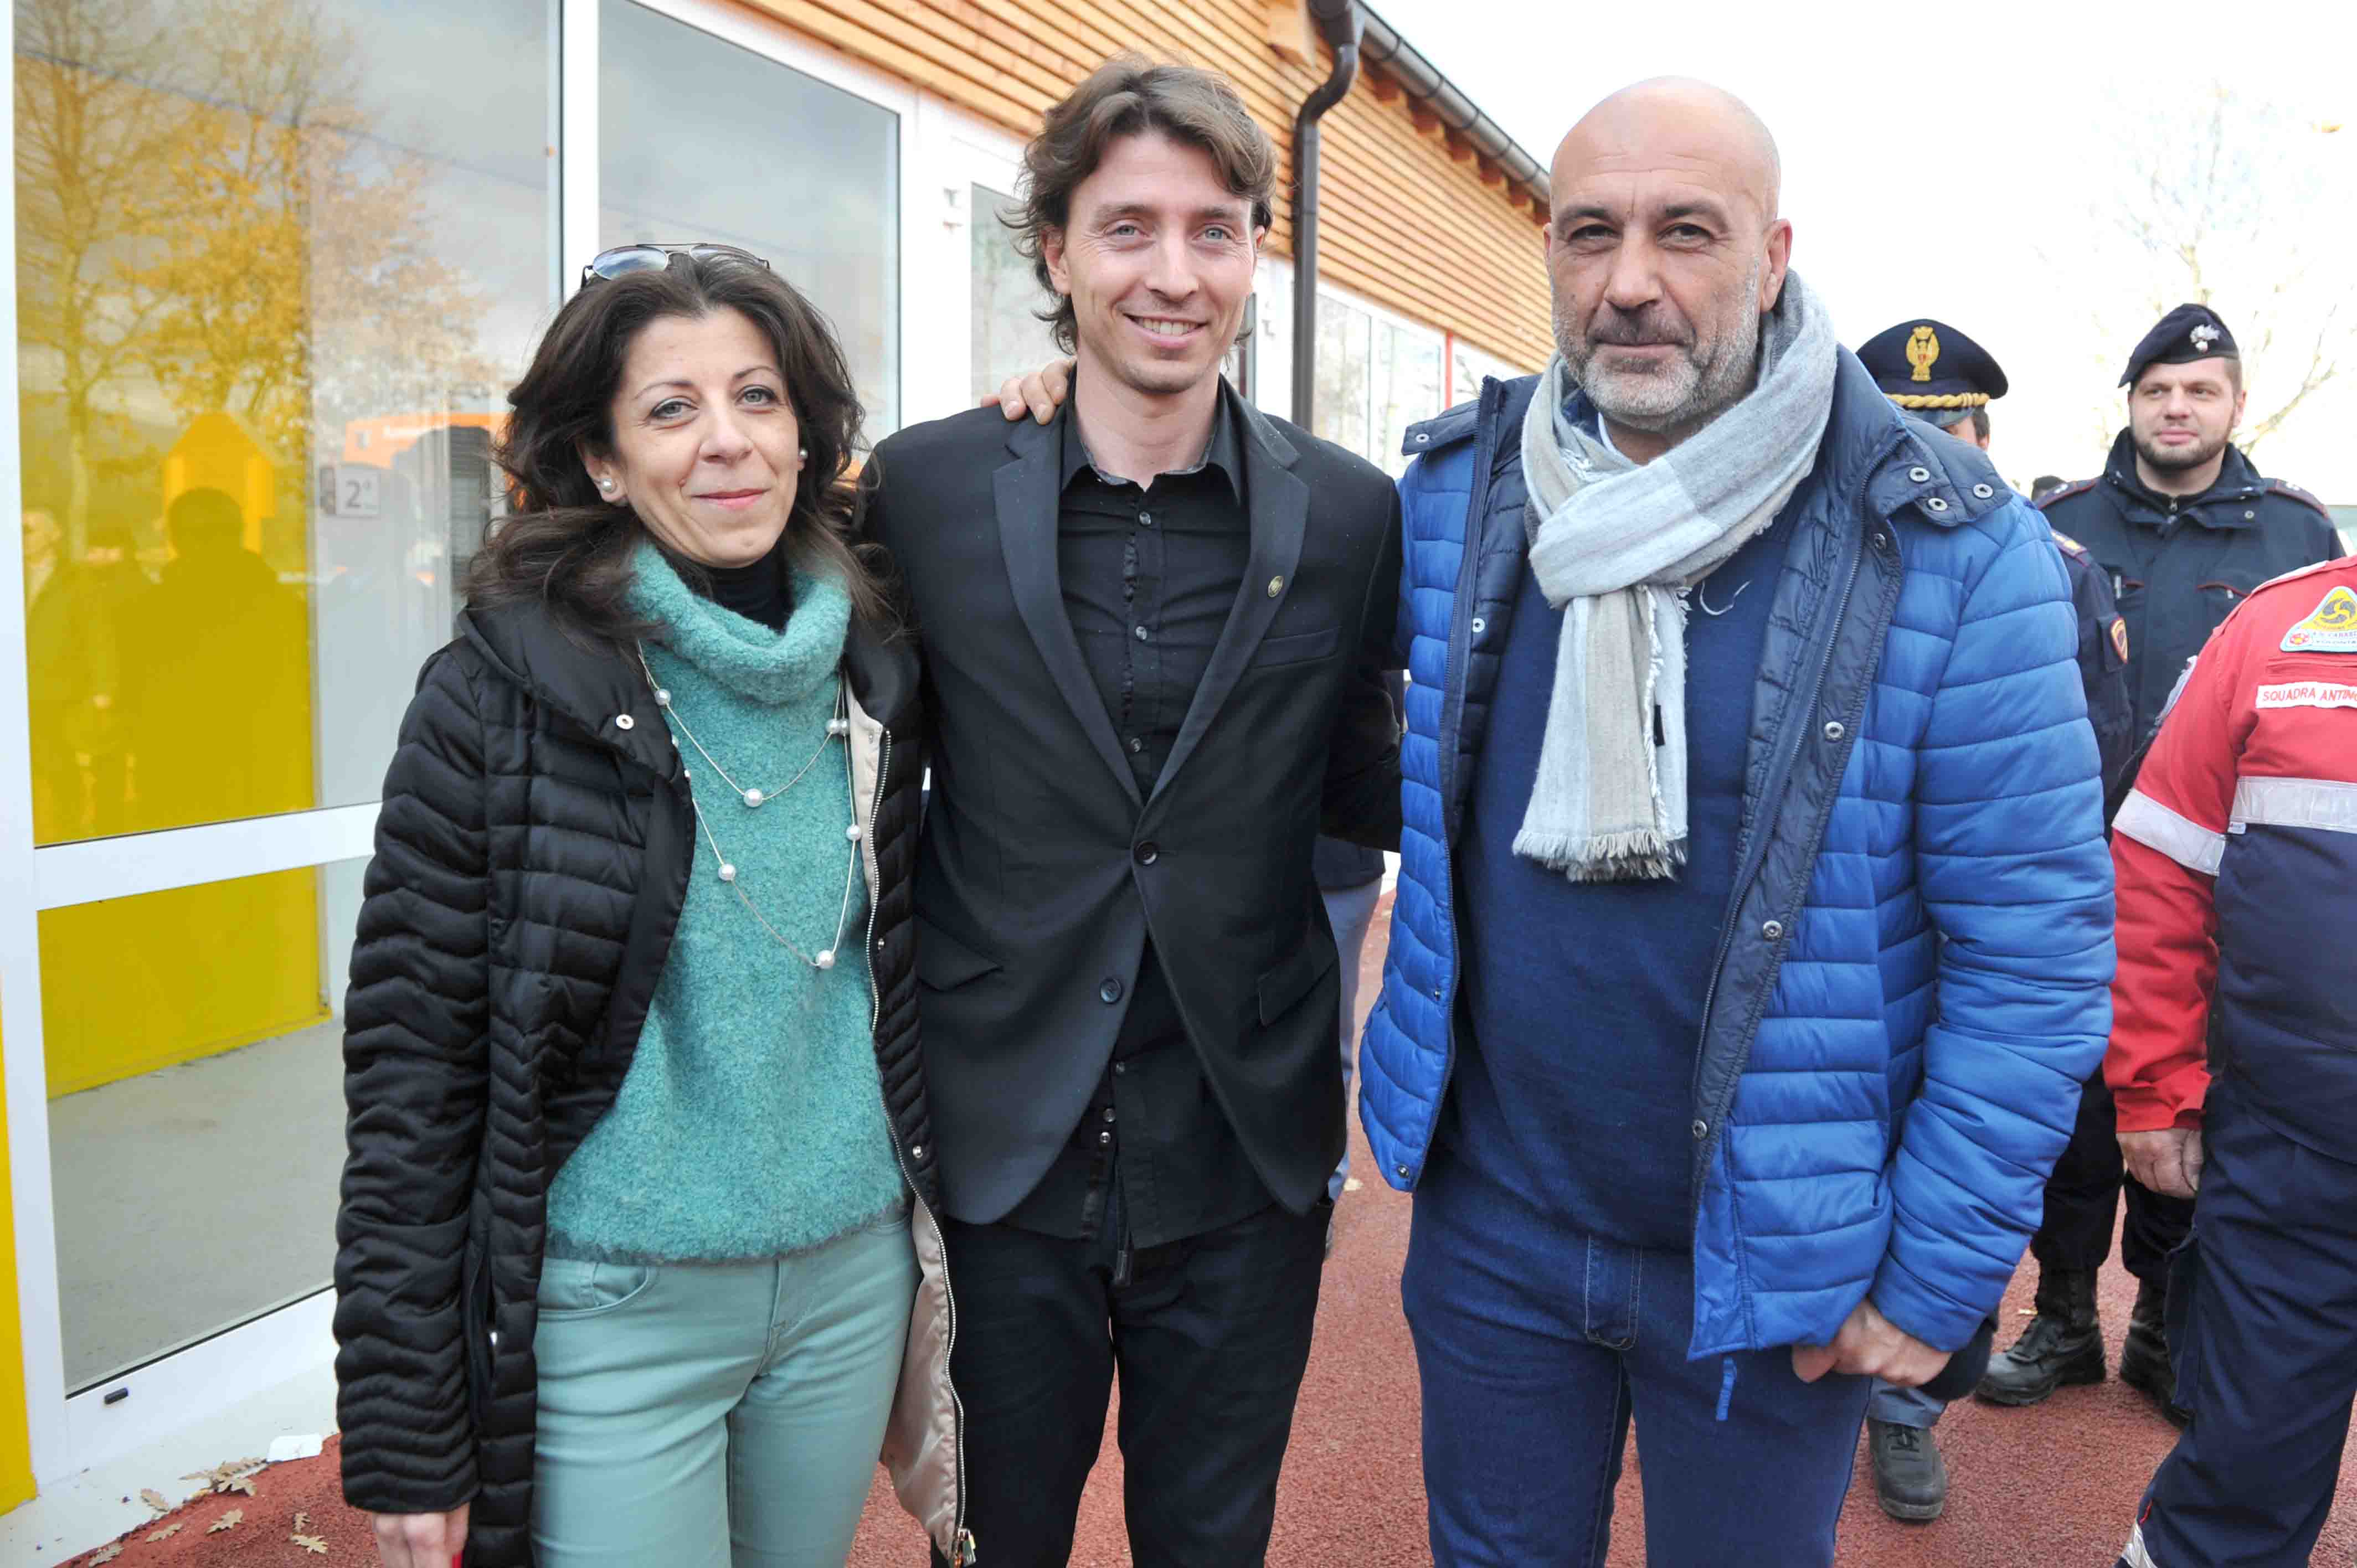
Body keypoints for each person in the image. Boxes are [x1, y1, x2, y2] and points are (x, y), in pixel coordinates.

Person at [1354, 79, 2112, 1566]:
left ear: (1772, 258)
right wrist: (1070, 397)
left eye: (1685, 233)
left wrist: (1937, 1268)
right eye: (1590, 234)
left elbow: (2032, 950)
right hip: (1493, 1232)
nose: (1630, 281)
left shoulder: (1951, 544)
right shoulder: (1454, 495)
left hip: (1773, 1256)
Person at [333, 247, 967, 1568]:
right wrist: (405, 1430)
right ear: (603, 461)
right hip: (616, 1302)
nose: (727, 440)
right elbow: (413, 1068)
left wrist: (1064, 380)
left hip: (850, 1281)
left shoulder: (878, 663)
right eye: (671, 409)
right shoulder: (498, 690)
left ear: (808, 438)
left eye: (758, 397)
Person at [863, 56, 1401, 1567]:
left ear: (1254, 255)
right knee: (992, 1544)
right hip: (997, 1144)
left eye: (1214, 230)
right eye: (1127, 229)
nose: (1174, 274)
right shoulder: (924, 490)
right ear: (1053, 251)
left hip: (1245, 1146)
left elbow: (1372, 775)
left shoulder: (1352, 513)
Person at [1998, 302, 2341, 1426]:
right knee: (2067, 1106)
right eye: (2157, 391)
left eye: (2200, 391)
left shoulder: (2297, 539)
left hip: (2216, 887)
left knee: (2188, 1100)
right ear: (2132, 403)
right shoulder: (2057, 524)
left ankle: (2159, 1320)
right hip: (2065, 867)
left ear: (2237, 404)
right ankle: (2061, 1315)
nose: (2177, 408)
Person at [1844, 318, 2134, 1523]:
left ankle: (1905, 1407)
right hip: (1844, 933)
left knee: (1956, 1158)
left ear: (1983, 435)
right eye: (1900, 422)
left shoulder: (2051, 565)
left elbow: (2096, 752)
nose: (1929, 446)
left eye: (1951, 425)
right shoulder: (1811, 545)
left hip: (1974, 925)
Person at [2105, 554, 2357, 1567]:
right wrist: (2154, 1086)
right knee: (2246, 1463)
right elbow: (2162, 865)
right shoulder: (2275, 629)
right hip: (2291, 1149)